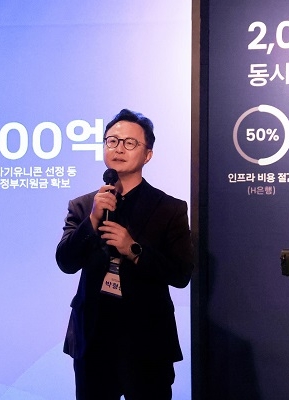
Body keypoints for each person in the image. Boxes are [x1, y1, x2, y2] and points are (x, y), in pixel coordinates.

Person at [55, 109, 194, 400]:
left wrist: (133, 249)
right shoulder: (84, 206)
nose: (119, 148)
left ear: (148, 155)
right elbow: (66, 262)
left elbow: (181, 275)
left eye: (130, 143)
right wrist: (92, 221)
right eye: (112, 141)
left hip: (147, 341)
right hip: (93, 338)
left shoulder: (170, 209)